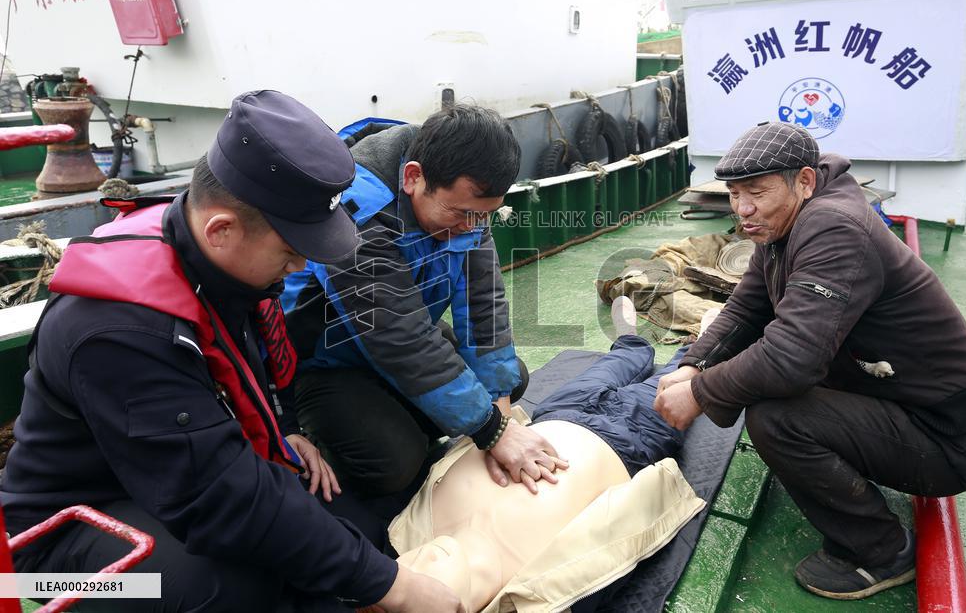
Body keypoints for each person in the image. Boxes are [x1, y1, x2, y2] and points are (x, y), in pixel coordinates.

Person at [0, 90, 464, 612]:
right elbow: (217, 496)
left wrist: (286, 424)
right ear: (221, 230)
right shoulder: (122, 332)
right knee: (228, 590)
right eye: (291, 253)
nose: (298, 270)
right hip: (54, 554)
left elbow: (257, 373)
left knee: (358, 525)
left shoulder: (217, 266)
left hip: (164, 478)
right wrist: (390, 587)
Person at [653, 121, 966, 600]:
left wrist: (701, 392)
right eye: (733, 194)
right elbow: (747, 308)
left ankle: (883, 552)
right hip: (897, 396)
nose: (743, 209)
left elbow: (792, 358)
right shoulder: (783, 225)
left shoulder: (833, 226)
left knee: (776, 417)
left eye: (757, 192)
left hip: (947, 437)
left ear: (805, 182)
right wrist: (693, 363)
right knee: (766, 386)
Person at [281, 105, 566, 497]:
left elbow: (484, 307)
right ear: (414, 178)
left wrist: (498, 418)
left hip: (404, 334)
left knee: (510, 378)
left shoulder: (466, 208)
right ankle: (322, 430)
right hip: (326, 361)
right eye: (463, 214)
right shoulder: (355, 215)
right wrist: (493, 432)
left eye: (484, 216)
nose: (473, 226)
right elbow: (401, 339)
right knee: (394, 462)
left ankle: (403, 415)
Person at [384, 297, 704, 613]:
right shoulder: (541, 592)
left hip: (552, 416)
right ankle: (701, 346)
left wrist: (500, 428)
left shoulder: (408, 530)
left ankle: (631, 343)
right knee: (682, 378)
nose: (414, 565)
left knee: (619, 362)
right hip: (627, 438)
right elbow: (630, 522)